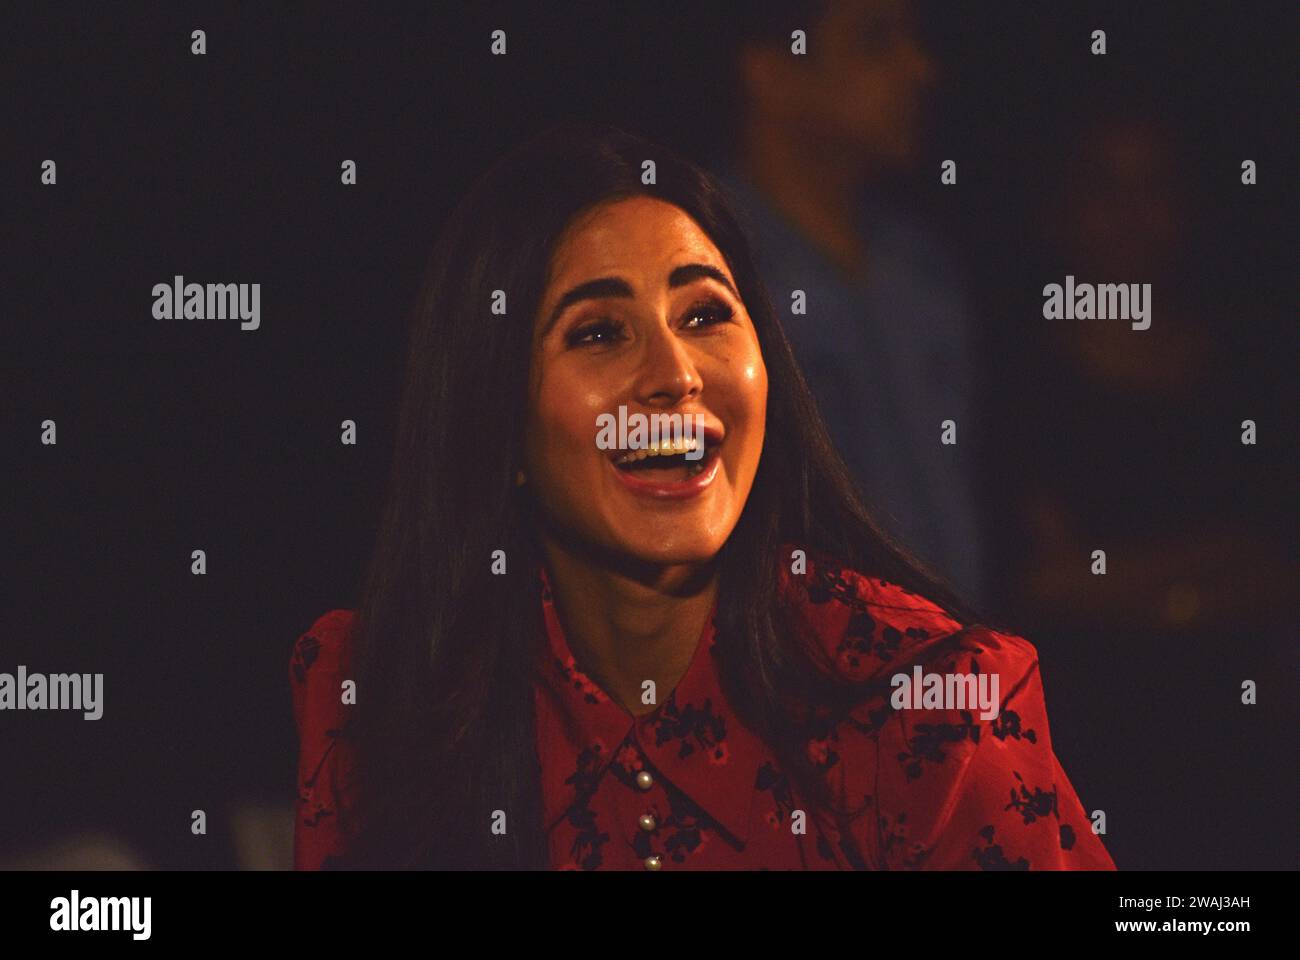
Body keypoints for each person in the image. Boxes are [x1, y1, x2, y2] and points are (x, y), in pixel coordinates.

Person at [289, 121, 1114, 871]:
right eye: (599, 332)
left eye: (706, 314)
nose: (676, 376)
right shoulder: (387, 690)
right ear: (495, 419)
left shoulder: (929, 712)